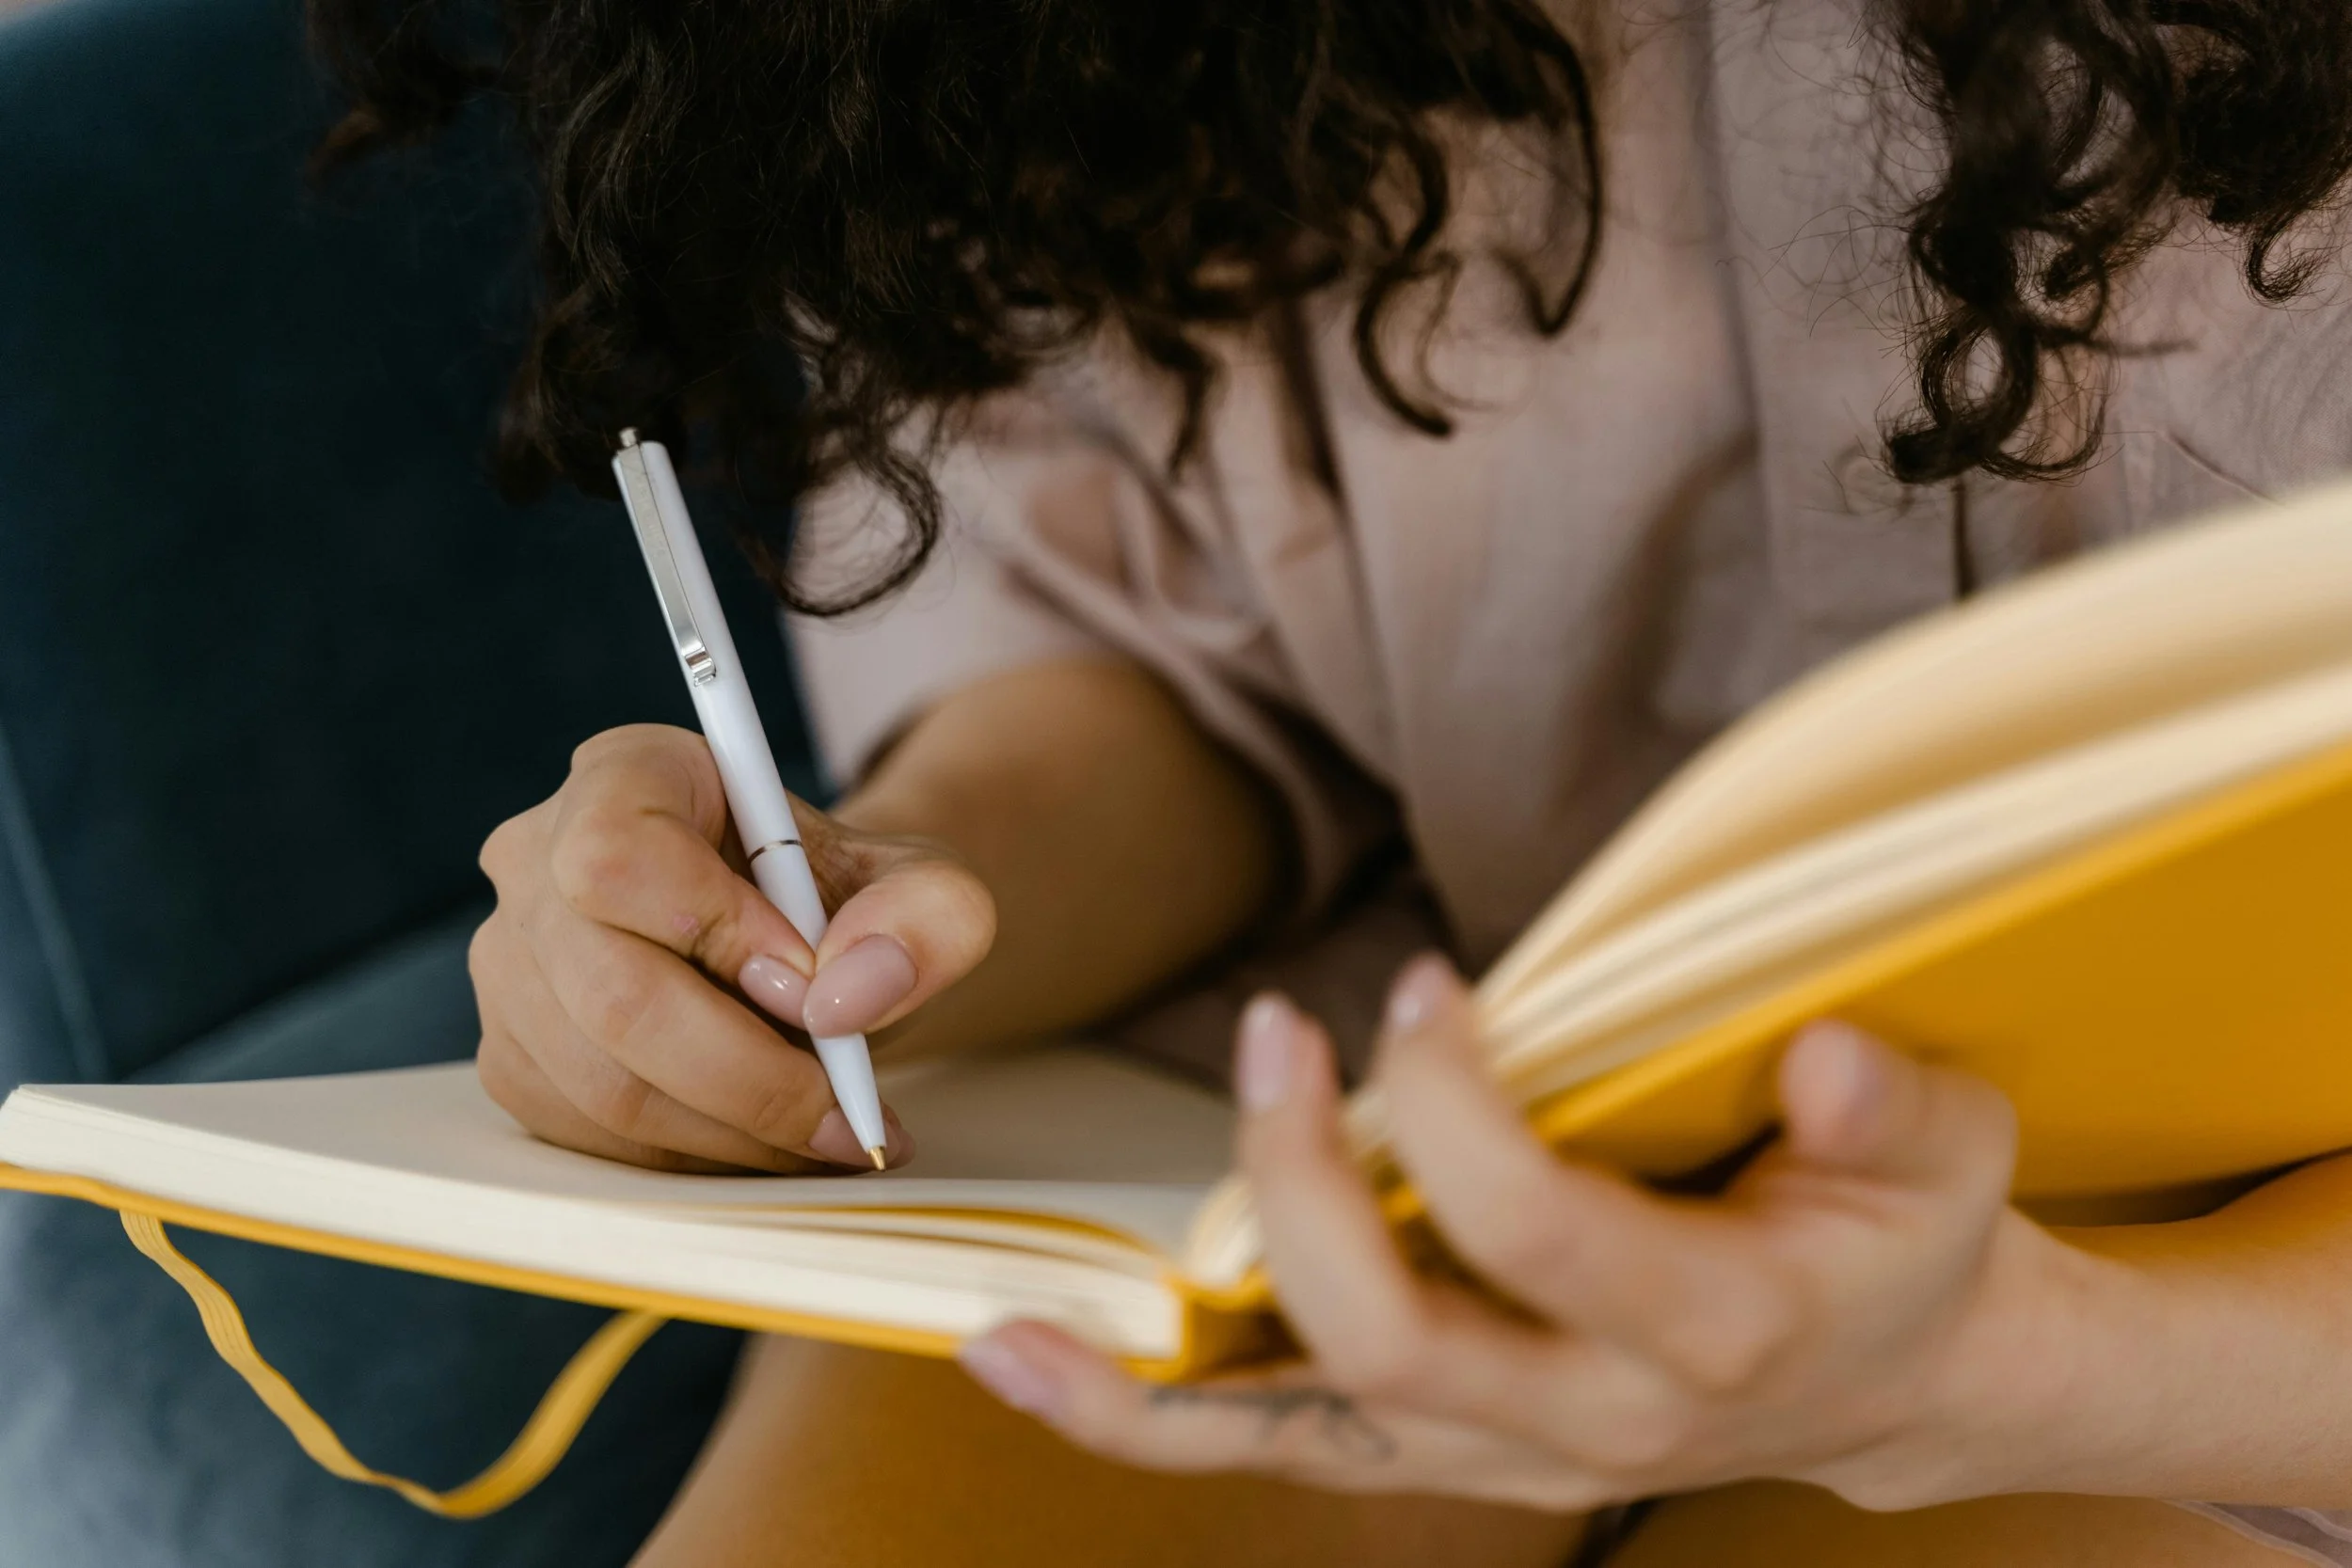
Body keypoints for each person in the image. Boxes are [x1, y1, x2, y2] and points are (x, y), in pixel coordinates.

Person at [316, 0, 2352, 1560]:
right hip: (1367, 1064)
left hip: (2239, 1286)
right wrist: (864, 908)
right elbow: (1155, 652)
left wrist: (2030, 1370)